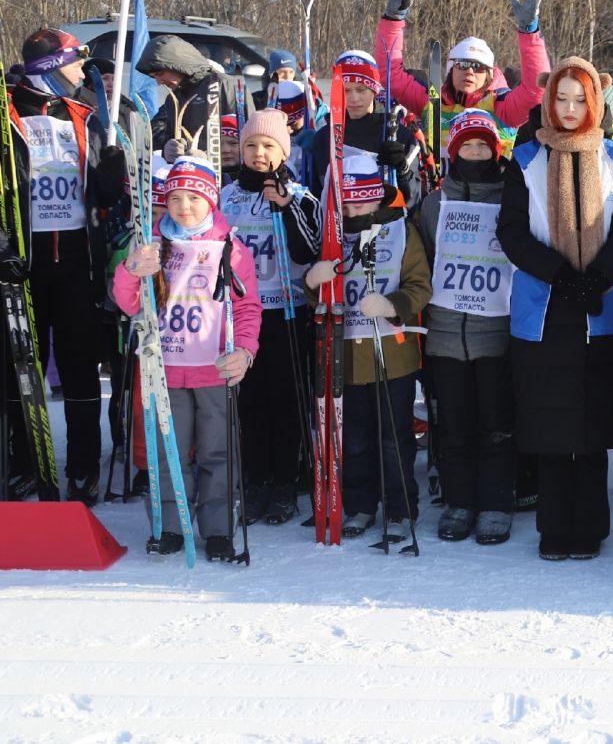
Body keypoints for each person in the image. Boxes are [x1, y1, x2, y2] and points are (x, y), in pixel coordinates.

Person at [498, 58, 613, 559]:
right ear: (547, 99)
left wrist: (597, 277)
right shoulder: (525, 159)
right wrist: (559, 276)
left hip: (600, 305)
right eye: (561, 97)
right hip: (544, 305)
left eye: (580, 99)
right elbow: (512, 232)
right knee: (551, 421)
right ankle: (555, 527)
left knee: (594, 419)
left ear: (596, 103)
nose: (569, 108)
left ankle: (591, 526)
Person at [113, 157, 261, 561]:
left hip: (213, 369)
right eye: (175, 197)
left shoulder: (230, 249)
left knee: (217, 452)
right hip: (165, 370)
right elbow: (129, 303)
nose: (183, 206)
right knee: (167, 452)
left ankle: (217, 530)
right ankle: (169, 526)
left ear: (210, 200)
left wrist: (245, 352)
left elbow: (247, 309)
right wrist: (131, 269)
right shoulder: (152, 244)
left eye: (193, 197)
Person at [5, 28, 127, 503]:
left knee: (78, 368)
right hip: (22, 265)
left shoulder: (85, 115)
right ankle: (25, 464)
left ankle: (82, 468)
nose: (82, 71)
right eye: (75, 62)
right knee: (19, 371)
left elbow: (105, 194)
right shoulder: (7, 112)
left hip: (77, 261)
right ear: (49, 68)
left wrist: (113, 176)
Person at [305, 152, 432, 537]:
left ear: (377, 197)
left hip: (391, 355)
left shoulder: (401, 230)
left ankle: (400, 507)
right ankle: (360, 505)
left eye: (363, 199)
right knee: (355, 438)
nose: (356, 206)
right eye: (349, 200)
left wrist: (394, 305)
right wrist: (314, 282)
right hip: (345, 355)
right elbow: (317, 297)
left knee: (393, 437)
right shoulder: (332, 235)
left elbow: (420, 285)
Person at [417, 110, 519, 545]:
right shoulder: (435, 202)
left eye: (482, 146)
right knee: (453, 422)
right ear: (453, 151)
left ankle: (496, 502)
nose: (474, 153)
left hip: (494, 331)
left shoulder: (511, 199)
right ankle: (460, 501)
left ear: (495, 151)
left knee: (496, 421)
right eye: (466, 146)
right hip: (443, 332)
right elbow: (421, 258)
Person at [218, 110, 320, 526]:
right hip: (239, 316)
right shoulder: (224, 197)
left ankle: (284, 481)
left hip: (284, 313)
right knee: (251, 403)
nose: (259, 154)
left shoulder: (299, 193)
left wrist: (285, 207)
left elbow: (308, 251)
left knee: (286, 402)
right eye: (252, 146)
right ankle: (257, 480)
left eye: (269, 147)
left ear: (283, 151)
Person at [371, 0, 552, 155]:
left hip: (493, 182)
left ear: (489, 76)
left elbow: (537, 90)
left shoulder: (503, 108)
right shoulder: (432, 103)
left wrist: (530, 32)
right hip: (444, 182)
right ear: (451, 70)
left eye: (479, 67)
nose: (470, 72)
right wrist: (393, 19)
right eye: (463, 65)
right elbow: (390, 76)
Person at [308, 51, 424, 209]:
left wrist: (403, 172)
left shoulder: (397, 135)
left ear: (374, 90)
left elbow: (413, 202)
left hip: (386, 229)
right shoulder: (324, 138)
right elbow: (316, 199)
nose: (354, 98)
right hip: (338, 229)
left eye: (361, 90)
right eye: (346, 90)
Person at [136, 34, 226, 168]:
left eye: (160, 74)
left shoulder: (223, 85)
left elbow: (246, 139)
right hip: (186, 178)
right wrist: (167, 150)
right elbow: (169, 137)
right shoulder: (173, 98)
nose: (159, 82)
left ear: (177, 65)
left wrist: (208, 157)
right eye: (154, 77)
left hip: (226, 178)